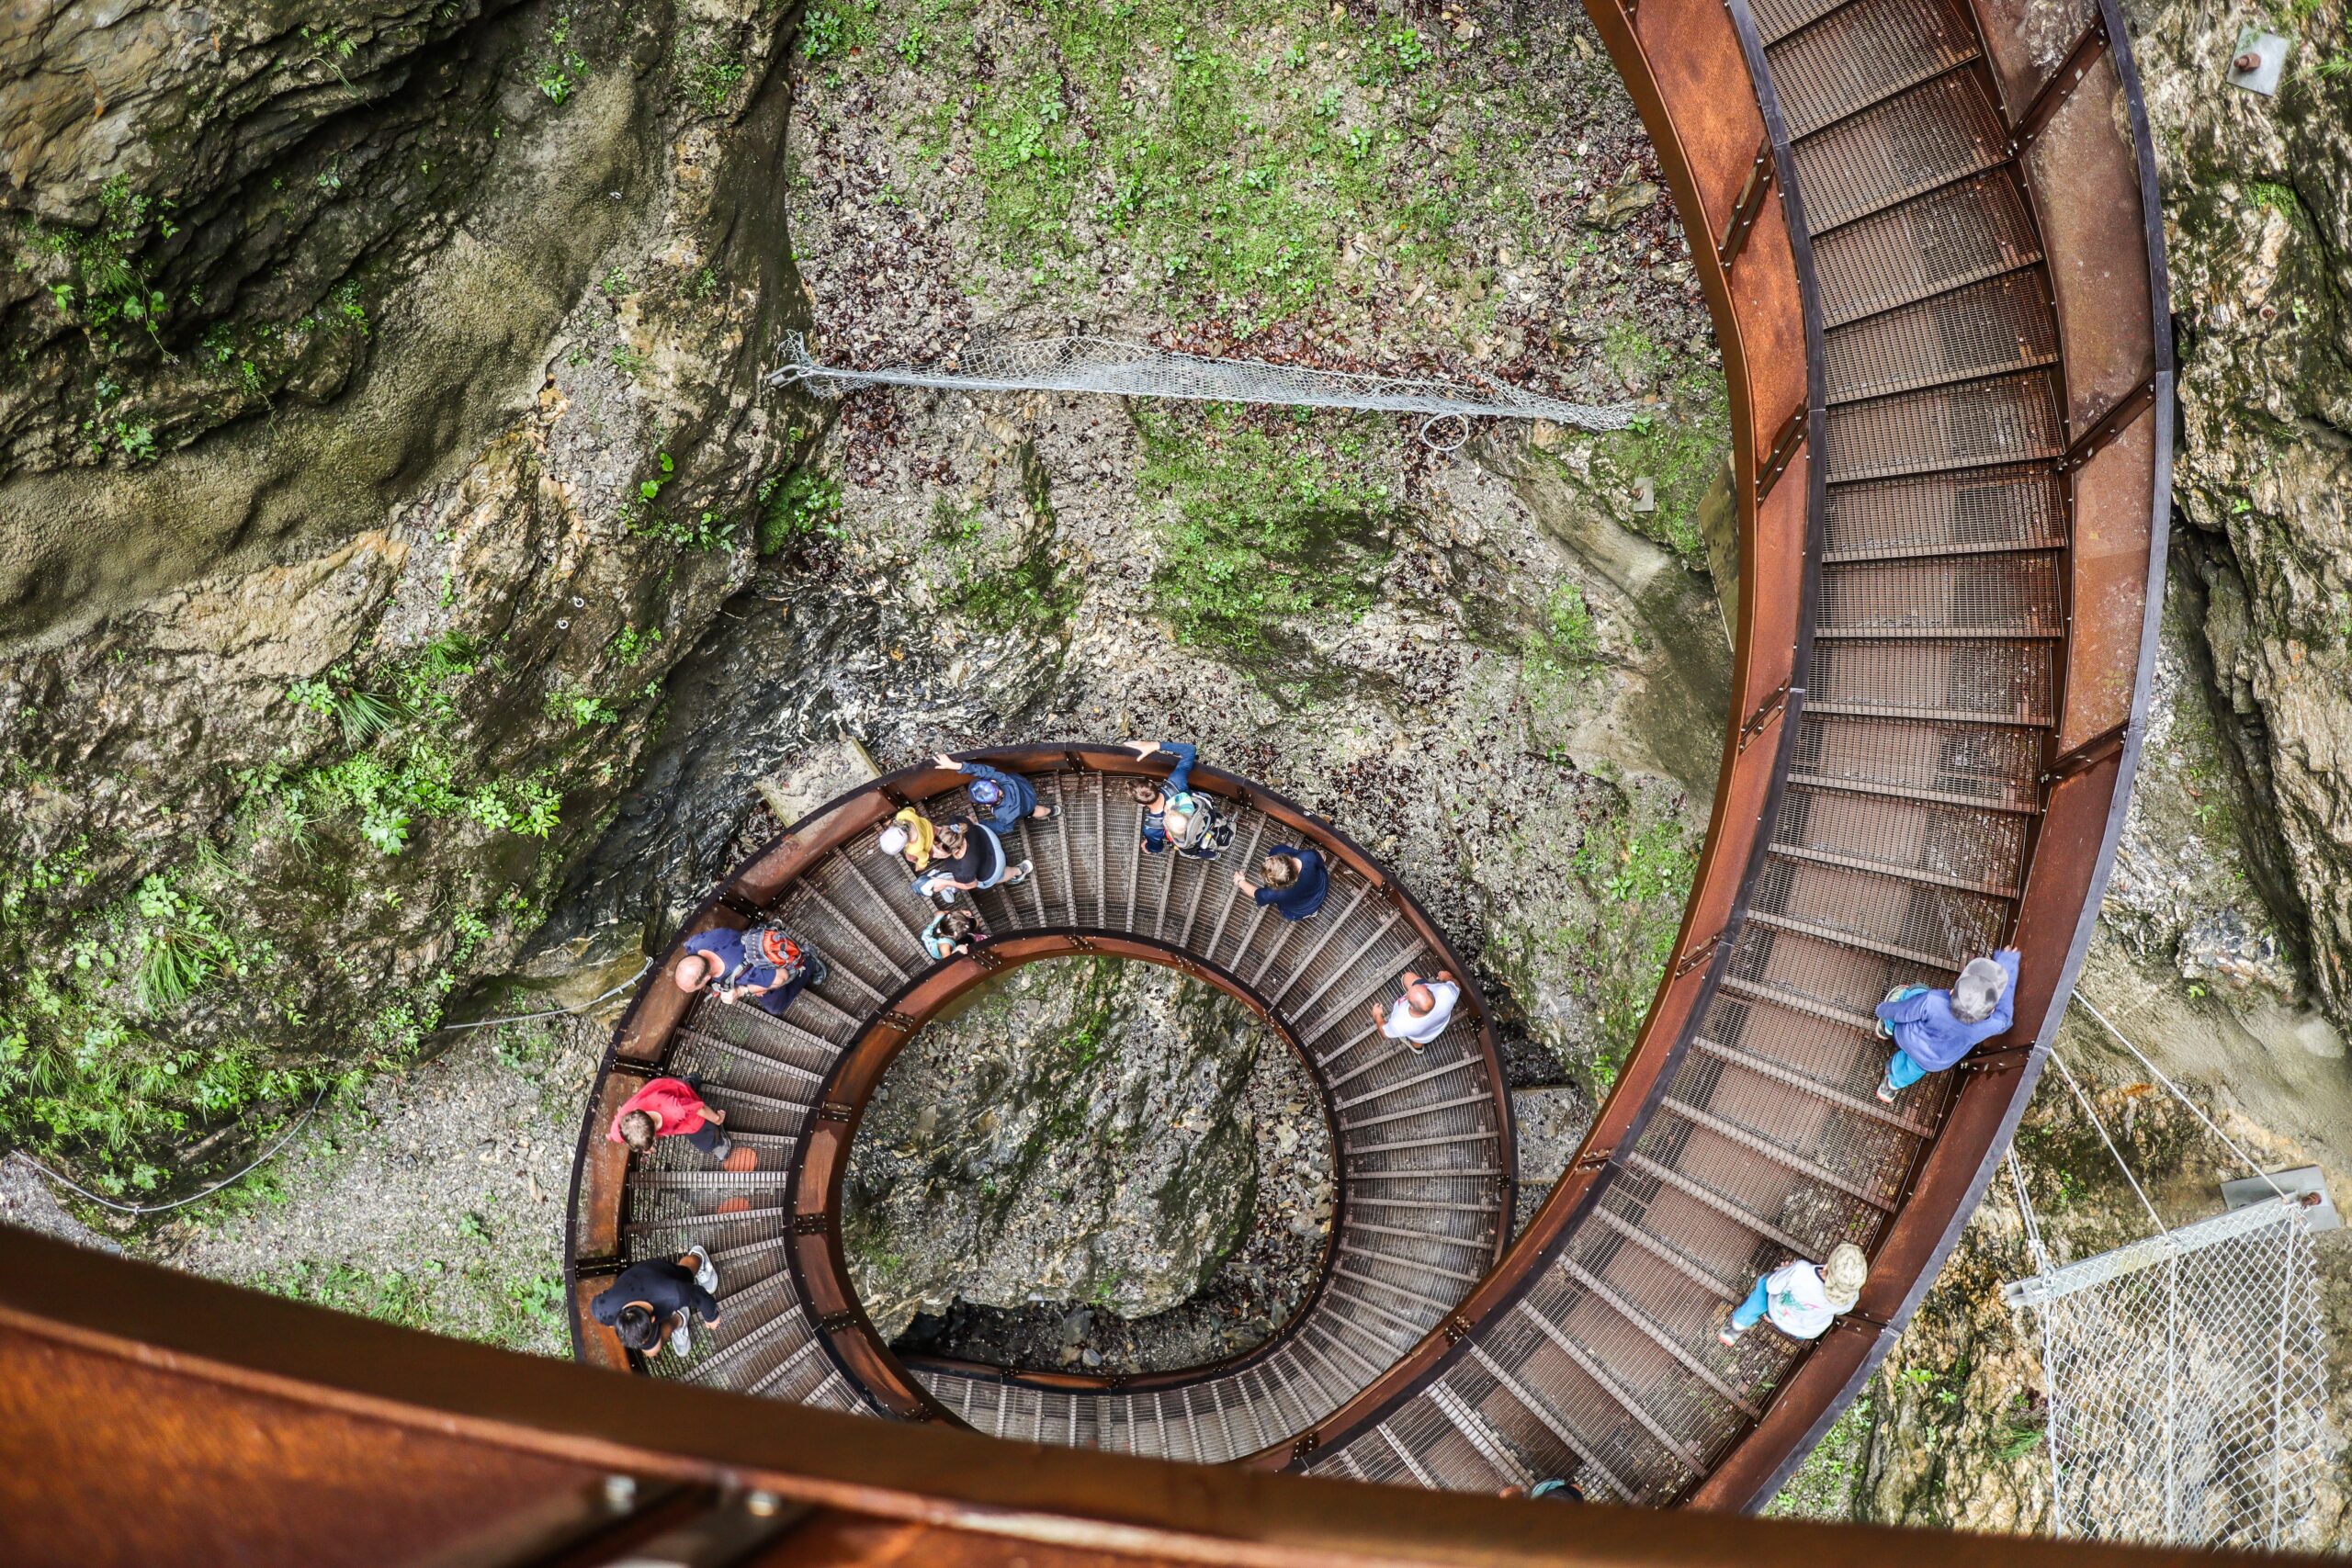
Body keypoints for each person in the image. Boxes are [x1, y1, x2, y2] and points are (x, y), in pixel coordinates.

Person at [1873, 949, 2020, 1103]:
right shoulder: (1988, 1025)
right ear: (1992, 1010)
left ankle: (1887, 1028)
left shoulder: (1933, 1001)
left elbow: (1902, 1011)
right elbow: (2005, 1018)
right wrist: (2008, 963)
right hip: (1934, 1060)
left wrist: (1882, 1010)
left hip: (1906, 1037)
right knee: (1911, 1069)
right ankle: (1891, 1085)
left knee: (1917, 991)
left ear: (1952, 992)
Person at [1717, 1243, 1868, 1347]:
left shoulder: (1802, 1272)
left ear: (1827, 1265)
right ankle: (1770, 1317)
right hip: (1806, 1331)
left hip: (1779, 1313)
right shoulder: (1850, 1298)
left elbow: (1772, 1287)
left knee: (1765, 1283)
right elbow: (1842, 1310)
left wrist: (1784, 1270)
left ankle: (1738, 1325)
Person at [589, 1247, 723, 1359]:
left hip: (660, 1274)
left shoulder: (674, 1294)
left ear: (653, 1320)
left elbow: (699, 1295)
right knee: (651, 1350)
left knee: (686, 1273)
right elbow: (595, 1304)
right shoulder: (604, 1310)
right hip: (636, 1283)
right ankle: (679, 1318)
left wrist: (711, 1316)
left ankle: (699, 1257)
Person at [673, 922, 829, 1019]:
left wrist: (741, 991)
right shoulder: (694, 944)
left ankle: (809, 962)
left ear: (707, 978)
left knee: (776, 1007)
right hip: (750, 942)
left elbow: (782, 976)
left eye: (694, 988)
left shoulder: (743, 973)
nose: (689, 992)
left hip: (759, 967)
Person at [1125, 739, 1233, 859]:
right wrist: (1155, 745)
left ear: (1142, 804)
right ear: (1152, 782)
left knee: (1189, 850)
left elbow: (1157, 848)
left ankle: (1212, 855)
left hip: (1190, 839)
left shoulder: (1152, 829)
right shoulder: (1176, 782)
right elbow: (1190, 750)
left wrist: (1149, 846)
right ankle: (1220, 822)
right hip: (1203, 815)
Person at [608, 1074, 730, 1160]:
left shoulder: (675, 1110)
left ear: (655, 1127)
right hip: (667, 1088)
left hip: (686, 1113)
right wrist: (645, 1146)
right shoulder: (621, 1126)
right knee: (683, 1088)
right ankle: (691, 1081)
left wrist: (717, 1119)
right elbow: (616, 1135)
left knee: (703, 1134)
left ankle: (716, 1142)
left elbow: (699, 1109)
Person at [934, 753, 1055, 834]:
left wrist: (979, 824)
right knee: (1037, 809)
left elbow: (1003, 828)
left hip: (1024, 808)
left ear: (987, 805)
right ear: (993, 781)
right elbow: (982, 771)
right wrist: (955, 765)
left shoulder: (1005, 815)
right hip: (1026, 789)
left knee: (1033, 811)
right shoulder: (1003, 779)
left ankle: (1048, 812)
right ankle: (1053, 811)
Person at [924, 818, 1031, 898]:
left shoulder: (962, 869)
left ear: (956, 851)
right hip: (987, 836)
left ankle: (1018, 871)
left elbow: (972, 884)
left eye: (935, 853)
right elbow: (970, 819)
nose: (932, 855)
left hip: (997, 863)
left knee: (983, 884)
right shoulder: (955, 821)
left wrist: (945, 882)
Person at [1370, 969, 1461, 1053]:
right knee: (1408, 977)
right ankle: (1418, 1048)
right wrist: (1447, 977)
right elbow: (1457, 985)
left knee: (1418, 1040)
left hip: (1420, 1036)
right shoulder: (1446, 993)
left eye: (1407, 996)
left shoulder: (1400, 1024)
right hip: (1441, 1024)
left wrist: (1377, 1015)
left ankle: (1417, 1048)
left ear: (1412, 1007)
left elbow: (1384, 1033)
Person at [1233, 846, 1329, 921]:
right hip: (1321, 889)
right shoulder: (1308, 856)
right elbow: (1322, 857)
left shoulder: (1271, 893)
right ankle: (1313, 910)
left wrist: (1240, 881)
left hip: (1300, 911)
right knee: (1276, 850)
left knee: (1289, 913)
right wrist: (1320, 854)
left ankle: (1311, 912)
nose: (1266, 858)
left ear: (1275, 885)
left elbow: (1255, 893)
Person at [878, 807, 937, 888]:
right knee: (909, 857)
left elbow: (924, 857)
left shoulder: (914, 848)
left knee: (910, 858)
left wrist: (921, 865)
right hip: (926, 825)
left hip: (931, 839)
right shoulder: (901, 816)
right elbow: (911, 810)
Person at [921, 907, 989, 961]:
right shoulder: (944, 946)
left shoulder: (941, 915)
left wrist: (960, 913)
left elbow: (937, 913)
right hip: (935, 951)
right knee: (968, 941)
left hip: (927, 935)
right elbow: (947, 961)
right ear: (955, 935)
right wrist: (956, 950)